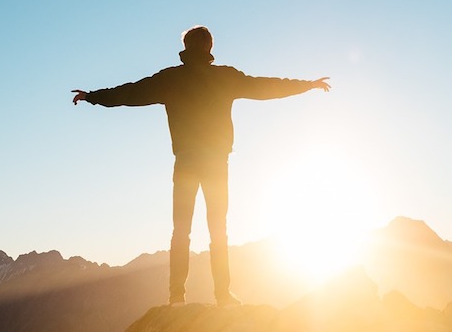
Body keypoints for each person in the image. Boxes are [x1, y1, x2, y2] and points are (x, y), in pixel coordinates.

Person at [72, 26, 330, 308]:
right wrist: (307, 84)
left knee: (181, 230)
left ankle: (176, 297)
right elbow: (266, 86)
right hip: (216, 163)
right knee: (218, 229)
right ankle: (223, 296)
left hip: (186, 162)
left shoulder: (171, 78)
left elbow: (130, 92)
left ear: (185, 47)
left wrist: (92, 96)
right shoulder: (225, 77)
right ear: (210, 47)